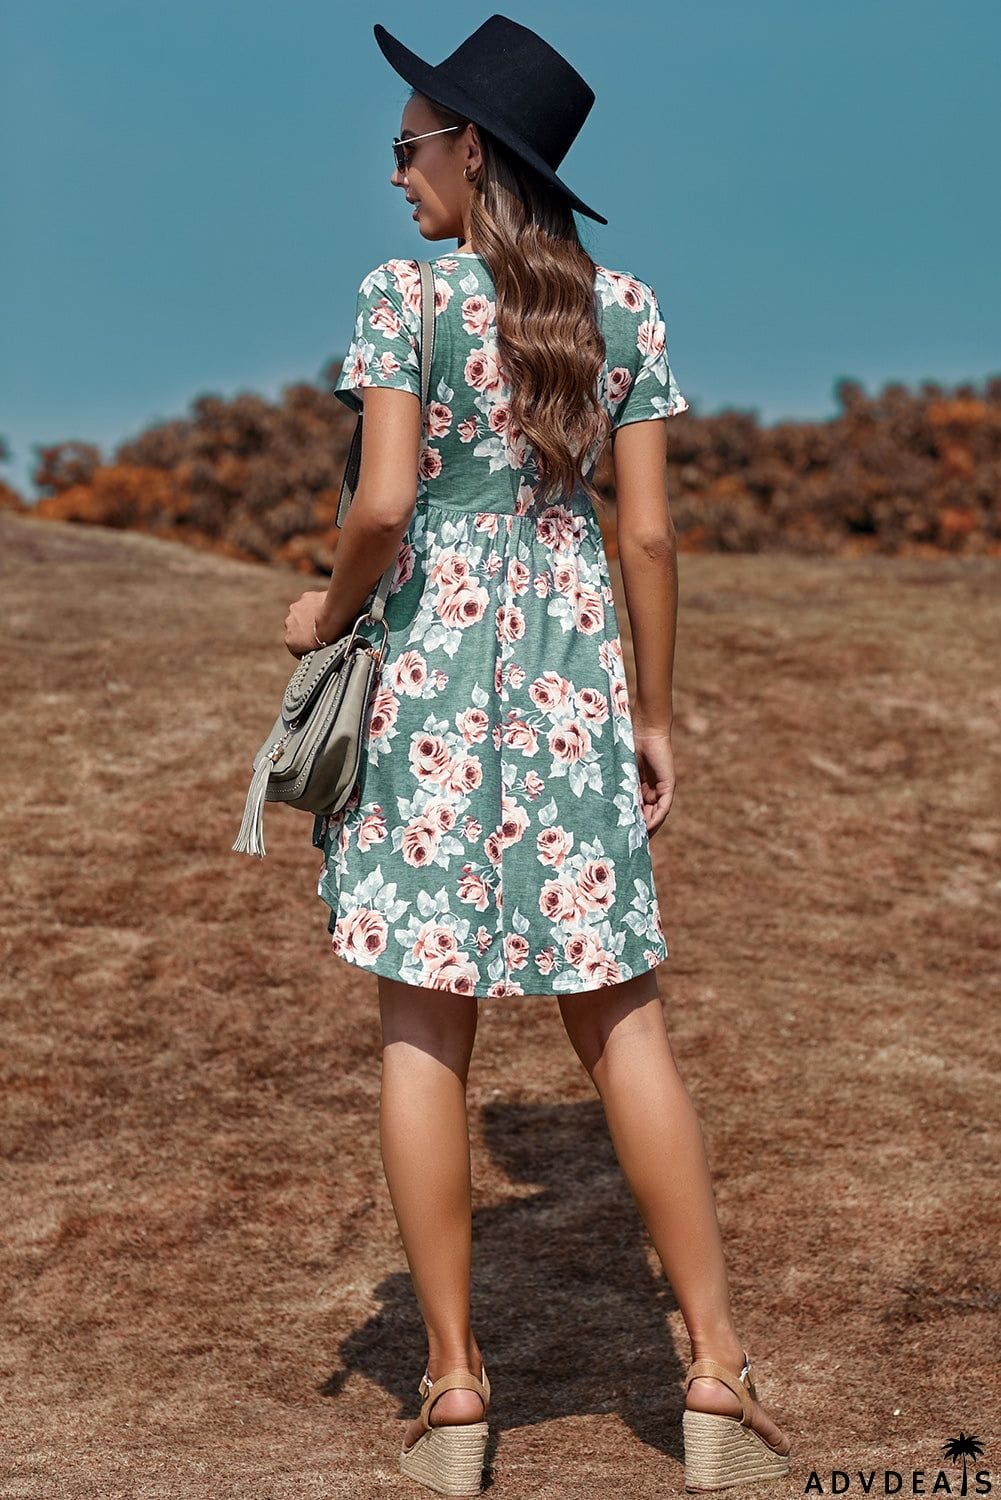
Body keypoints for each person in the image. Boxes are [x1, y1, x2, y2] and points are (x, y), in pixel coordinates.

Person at [283, 14, 792, 1496]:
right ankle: (713, 1368)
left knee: (422, 1027)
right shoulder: (623, 311)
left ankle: (452, 1396)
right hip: (573, 684)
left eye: (406, 147)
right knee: (622, 1021)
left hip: (432, 683)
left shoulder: (404, 300)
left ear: (469, 152)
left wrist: (322, 610)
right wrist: (650, 708)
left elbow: (382, 507)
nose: (392, 177)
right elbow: (645, 530)